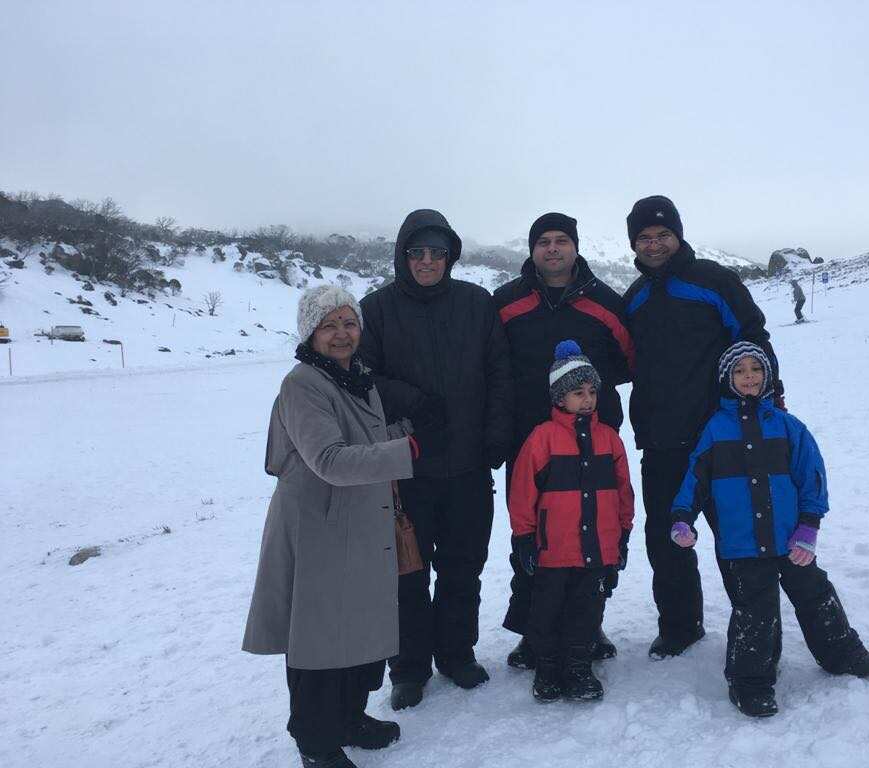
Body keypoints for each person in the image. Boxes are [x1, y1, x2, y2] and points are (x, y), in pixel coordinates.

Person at [242, 285, 442, 768]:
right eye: (328, 325)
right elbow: (329, 459)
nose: (341, 334)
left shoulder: (357, 380)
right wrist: (404, 452)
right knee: (318, 641)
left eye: (348, 323)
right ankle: (315, 742)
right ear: (310, 333)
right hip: (318, 528)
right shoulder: (304, 383)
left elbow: (360, 438)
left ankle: (350, 717)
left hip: (358, 524)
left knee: (357, 630)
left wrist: (401, 433)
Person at [669, 341, 869, 717]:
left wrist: (808, 527)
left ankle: (841, 652)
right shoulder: (716, 430)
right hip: (741, 544)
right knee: (755, 610)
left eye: (756, 369)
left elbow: (812, 477)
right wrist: (682, 516)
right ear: (726, 379)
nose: (749, 377)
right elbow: (695, 478)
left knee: (815, 593)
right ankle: (749, 682)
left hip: (789, 539)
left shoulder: (788, 426)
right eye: (739, 371)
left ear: (768, 375)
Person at [359, 209, 514, 710]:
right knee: (407, 572)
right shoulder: (376, 310)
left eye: (437, 253)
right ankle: (408, 668)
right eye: (417, 252)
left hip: (468, 464)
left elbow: (499, 373)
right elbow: (362, 376)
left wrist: (495, 438)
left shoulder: (476, 303)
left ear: (451, 257)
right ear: (403, 256)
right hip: (406, 467)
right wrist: (412, 400)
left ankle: (456, 652)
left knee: (462, 566)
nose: (427, 261)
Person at [623, 194, 784, 659]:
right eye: (644, 238)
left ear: (678, 235)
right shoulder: (634, 298)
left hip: (723, 435)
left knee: (738, 533)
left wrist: (764, 399)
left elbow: (753, 337)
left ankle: (754, 626)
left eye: (663, 235)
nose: (654, 245)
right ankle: (680, 625)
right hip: (661, 440)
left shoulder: (713, 281)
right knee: (666, 537)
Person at [493, 212, 633, 669]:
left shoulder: (605, 302)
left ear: (575, 247)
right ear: (532, 250)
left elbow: (630, 359)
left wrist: (594, 400)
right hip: (528, 442)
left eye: (561, 241)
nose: (552, 249)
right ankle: (534, 633)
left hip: (591, 441)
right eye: (543, 242)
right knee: (533, 537)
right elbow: (488, 365)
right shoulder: (507, 303)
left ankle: (586, 624)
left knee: (589, 534)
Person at [508, 341, 634, 702]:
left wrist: (622, 534)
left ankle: (579, 668)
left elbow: (623, 490)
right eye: (578, 392)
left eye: (593, 391)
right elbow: (523, 493)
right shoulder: (542, 438)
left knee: (587, 610)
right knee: (546, 611)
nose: (588, 399)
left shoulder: (609, 439)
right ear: (559, 397)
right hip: (554, 548)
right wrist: (525, 538)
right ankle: (548, 668)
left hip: (597, 547)